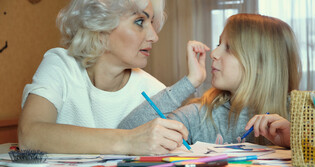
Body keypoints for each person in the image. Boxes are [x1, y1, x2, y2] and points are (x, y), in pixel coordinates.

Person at [18, 0, 209, 155]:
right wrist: (129, 141)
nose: (154, 36)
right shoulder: (60, 65)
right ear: (100, 26)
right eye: (140, 21)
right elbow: (29, 136)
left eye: (152, 22)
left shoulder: (153, 93)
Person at [119, 13, 302, 148]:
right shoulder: (199, 115)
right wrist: (190, 81)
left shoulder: (301, 114)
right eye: (218, 44)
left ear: (262, 64)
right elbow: (126, 134)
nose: (213, 54)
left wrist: (294, 140)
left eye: (228, 48)